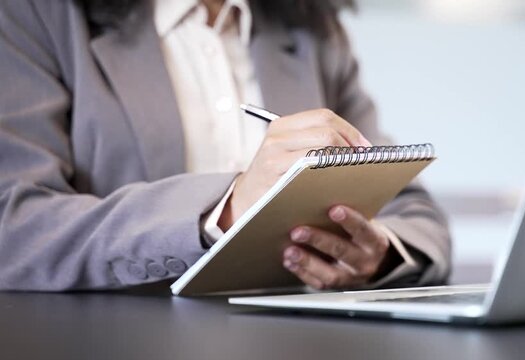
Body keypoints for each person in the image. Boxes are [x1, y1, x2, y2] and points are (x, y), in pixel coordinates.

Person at [0, 0, 451, 291]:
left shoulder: (313, 27)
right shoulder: (35, 14)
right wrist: (226, 209)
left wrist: (379, 254)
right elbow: (14, 228)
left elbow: (415, 216)